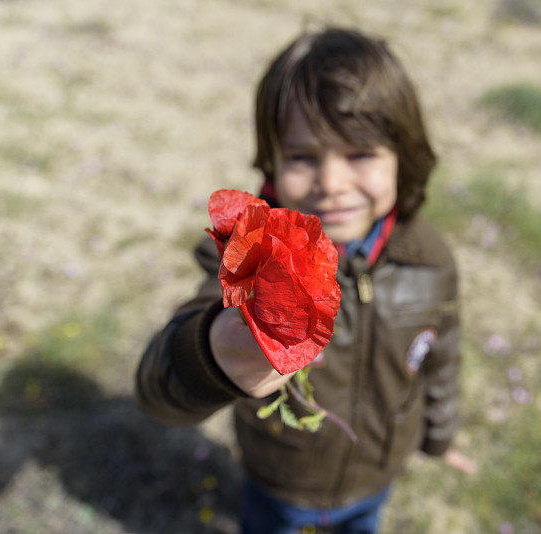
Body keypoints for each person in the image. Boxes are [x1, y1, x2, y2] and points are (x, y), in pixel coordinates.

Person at [135, 26, 475, 534]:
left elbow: (439, 354)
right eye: (302, 156)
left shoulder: (428, 261)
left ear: (404, 156)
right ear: (270, 163)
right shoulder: (248, 254)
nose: (332, 184)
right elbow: (158, 387)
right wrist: (214, 352)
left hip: (376, 477)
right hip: (281, 482)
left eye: (360, 153)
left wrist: (438, 437)